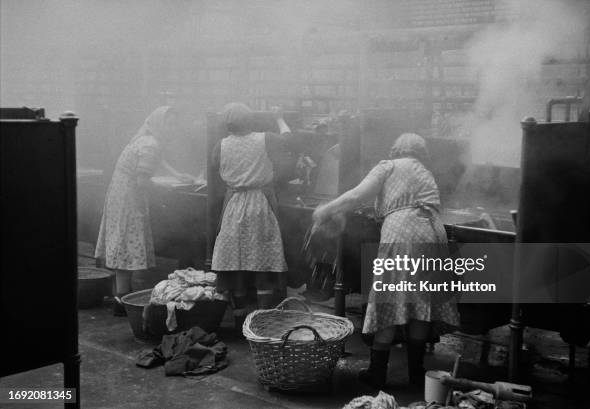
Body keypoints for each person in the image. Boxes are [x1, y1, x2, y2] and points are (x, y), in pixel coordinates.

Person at [312, 133, 459, 389]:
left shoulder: (388, 166)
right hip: (433, 234)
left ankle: (377, 373)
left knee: (389, 301)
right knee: (421, 303)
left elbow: (355, 197)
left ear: (396, 150)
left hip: (403, 234)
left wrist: (326, 210)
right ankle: (416, 374)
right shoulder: (425, 170)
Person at [95, 106, 191, 316]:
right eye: (169, 123)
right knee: (125, 245)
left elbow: (157, 161)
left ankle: (121, 297)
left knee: (123, 244)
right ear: (158, 123)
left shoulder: (148, 139)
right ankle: (121, 301)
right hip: (128, 197)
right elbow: (142, 181)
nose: (173, 128)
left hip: (121, 194)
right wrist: (167, 188)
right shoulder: (151, 144)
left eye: (175, 124)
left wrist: (178, 174)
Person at [211, 103, 297, 329]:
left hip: (234, 205)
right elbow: (289, 141)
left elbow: (214, 167)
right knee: (262, 262)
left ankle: (240, 319)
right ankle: (262, 321)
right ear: (250, 120)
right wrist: (279, 118)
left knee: (236, 262)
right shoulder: (264, 139)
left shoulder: (221, 145)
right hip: (259, 205)